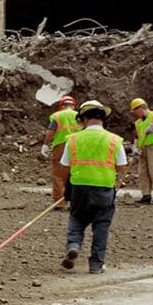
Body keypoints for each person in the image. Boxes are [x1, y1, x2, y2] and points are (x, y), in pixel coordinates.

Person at [60, 100, 128, 274]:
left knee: (77, 219)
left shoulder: (73, 139)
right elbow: (121, 166)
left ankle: (74, 245)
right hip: (104, 188)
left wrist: (65, 189)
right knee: (101, 225)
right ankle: (96, 264)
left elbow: (65, 165)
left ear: (84, 119)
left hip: (79, 188)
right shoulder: (114, 140)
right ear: (103, 119)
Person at [41, 95, 80, 203]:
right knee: (76, 173)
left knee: (58, 174)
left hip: (61, 146)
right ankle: (75, 202)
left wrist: (45, 144)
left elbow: (51, 131)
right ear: (73, 105)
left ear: (61, 106)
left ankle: (60, 202)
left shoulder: (57, 116)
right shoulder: (79, 116)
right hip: (77, 147)